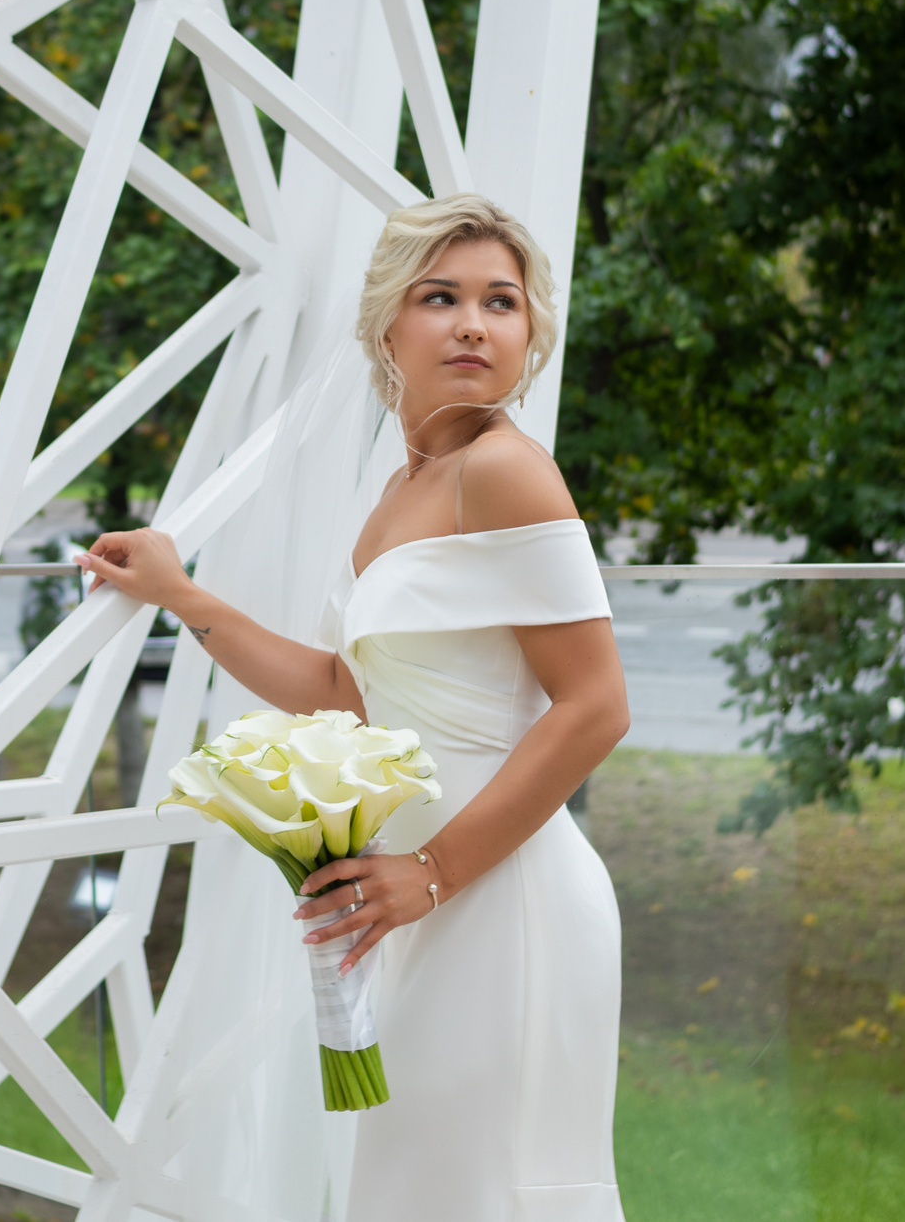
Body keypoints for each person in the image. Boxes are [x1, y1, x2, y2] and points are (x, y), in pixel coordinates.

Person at [77, 192, 631, 1221]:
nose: (473, 322)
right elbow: (343, 689)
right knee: (419, 1187)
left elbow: (595, 707)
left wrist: (430, 873)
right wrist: (182, 594)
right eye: (442, 296)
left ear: (528, 336)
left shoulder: (505, 471)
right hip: (416, 900)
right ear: (389, 326)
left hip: (501, 901)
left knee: (478, 1190)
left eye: (500, 303)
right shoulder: (399, 491)